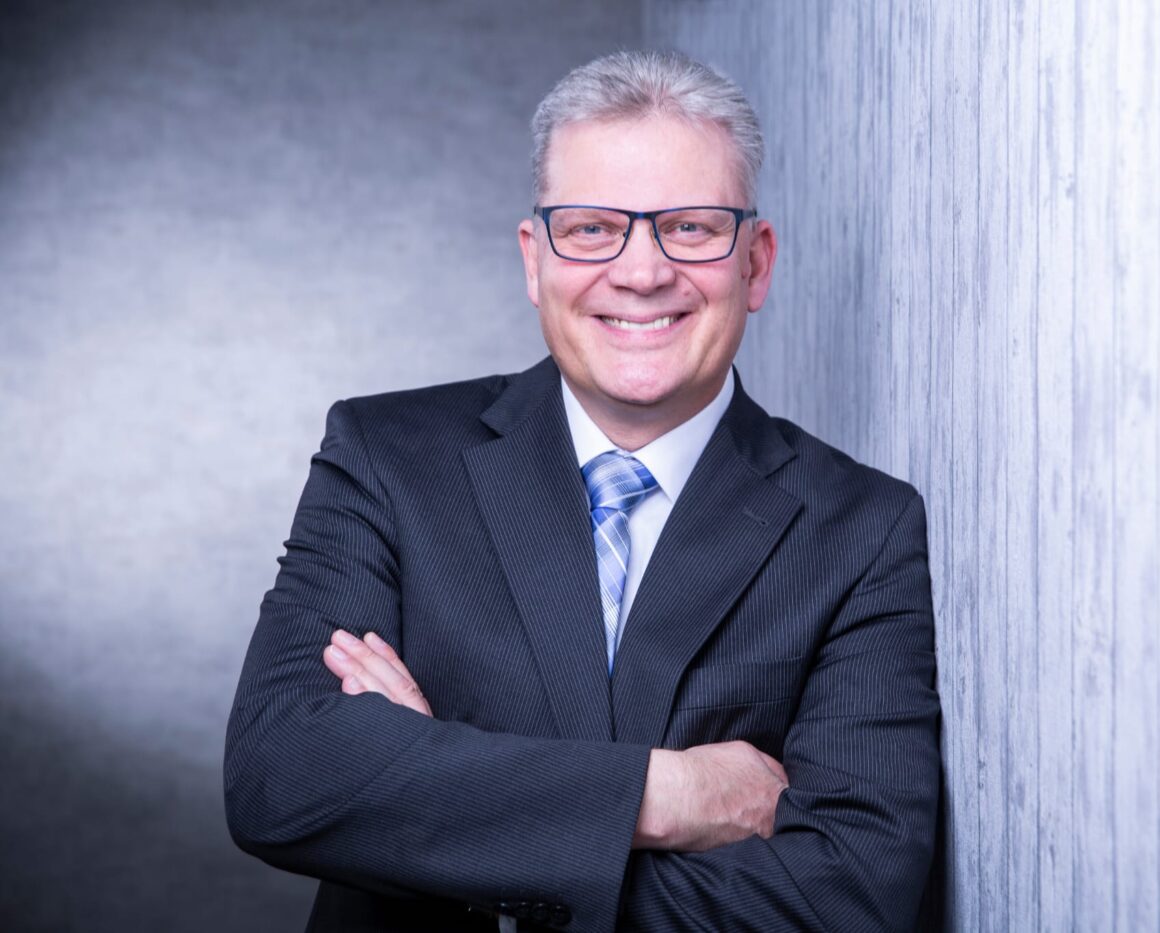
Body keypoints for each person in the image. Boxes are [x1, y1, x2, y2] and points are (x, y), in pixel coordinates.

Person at [224, 50, 940, 932]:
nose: (641, 273)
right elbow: (280, 774)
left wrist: (443, 810)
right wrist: (664, 793)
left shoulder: (861, 529)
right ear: (535, 261)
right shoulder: (386, 459)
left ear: (755, 264)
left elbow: (845, 898)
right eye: (593, 228)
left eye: (690, 227)